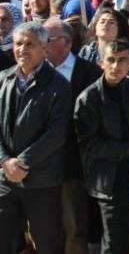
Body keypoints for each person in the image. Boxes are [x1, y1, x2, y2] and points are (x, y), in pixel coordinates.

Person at [75, 39, 129, 254]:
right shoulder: (88, 99)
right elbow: (89, 143)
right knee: (115, 243)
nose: (116, 66)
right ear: (101, 62)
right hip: (110, 182)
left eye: (122, 60)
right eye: (111, 60)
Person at [0, 22, 73, 254]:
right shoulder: (3, 79)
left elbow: (56, 134)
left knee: (47, 244)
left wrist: (22, 163)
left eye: (29, 44)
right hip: (5, 179)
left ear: (45, 48)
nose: (22, 49)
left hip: (41, 181)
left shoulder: (59, 85)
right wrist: (5, 161)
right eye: (18, 44)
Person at [43, 18, 102, 254]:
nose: (42, 44)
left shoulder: (90, 73)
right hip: (39, 164)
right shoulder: (35, 72)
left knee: (75, 227)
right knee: (44, 227)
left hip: (73, 164)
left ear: (67, 43)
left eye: (47, 39)